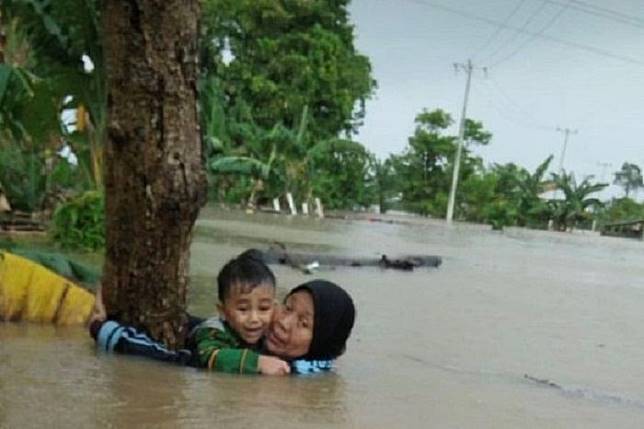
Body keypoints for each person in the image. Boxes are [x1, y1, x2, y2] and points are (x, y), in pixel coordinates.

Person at [90, 259, 356, 375]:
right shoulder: (226, 333)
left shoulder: (308, 372)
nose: (284, 322)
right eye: (287, 307)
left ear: (322, 341)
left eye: (304, 323)